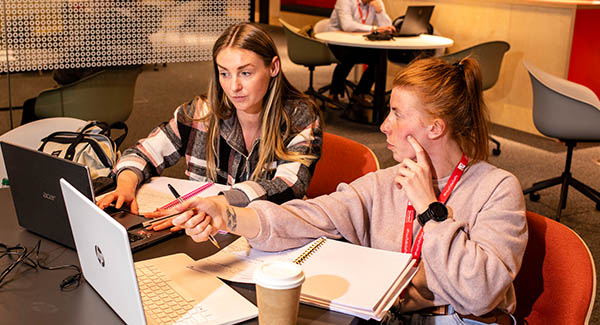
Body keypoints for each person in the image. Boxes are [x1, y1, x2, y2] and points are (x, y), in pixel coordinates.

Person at [167, 57, 528, 324]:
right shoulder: (385, 182)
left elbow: (479, 294)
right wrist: (226, 214)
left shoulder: (496, 190)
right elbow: (309, 215)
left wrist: (430, 209)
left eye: (398, 114)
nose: (385, 126)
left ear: (435, 128)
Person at [97, 23, 322, 231]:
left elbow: (290, 184)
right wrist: (125, 184)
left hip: (267, 233)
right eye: (224, 73)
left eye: (246, 73)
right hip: (203, 231)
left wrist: (221, 202)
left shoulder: (299, 116)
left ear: (273, 67)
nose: (234, 87)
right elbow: (143, 152)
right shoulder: (199, 113)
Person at [326, 0, 395, 108]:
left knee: (378, 58)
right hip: (337, 41)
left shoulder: (376, 3)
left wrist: (380, 11)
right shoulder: (345, 1)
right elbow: (347, 26)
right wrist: (374, 29)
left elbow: (387, 27)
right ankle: (334, 93)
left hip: (359, 42)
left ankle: (360, 93)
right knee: (348, 56)